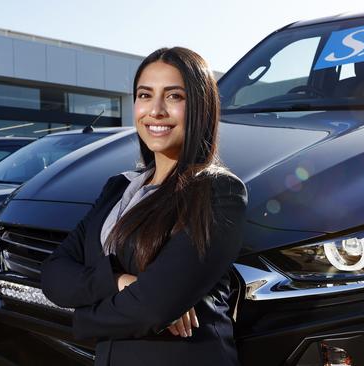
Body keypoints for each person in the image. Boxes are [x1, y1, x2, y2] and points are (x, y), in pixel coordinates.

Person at [40, 47, 248, 366]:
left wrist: (82, 318)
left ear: (201, 107)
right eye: (145, 95)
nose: (156, 110)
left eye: (174, 96)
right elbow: (54, 273)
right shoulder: (119, 188)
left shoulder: (219, 192)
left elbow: (152, 307)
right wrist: (118, 281)